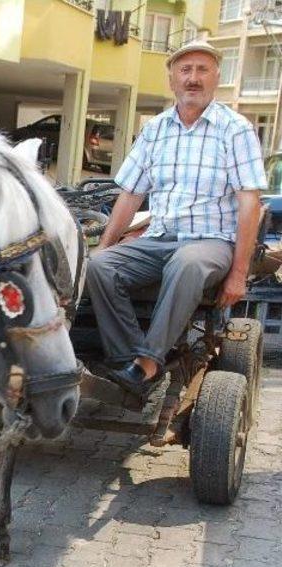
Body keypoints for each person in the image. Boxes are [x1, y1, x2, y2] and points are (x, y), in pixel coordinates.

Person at [86, 39, 267, 397]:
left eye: (202, 70)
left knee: (187, 263)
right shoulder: (156, 130)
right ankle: (128, 364)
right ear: (172, 79)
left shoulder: (236, 129)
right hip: (160, 236)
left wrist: (239, 274)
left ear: (216, 77)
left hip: (211, 242)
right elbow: (131, 194)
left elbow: (250, 204)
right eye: (185, 70)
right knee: (100, 267)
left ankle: (148, 363)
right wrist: (104, 247)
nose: (193, 78)